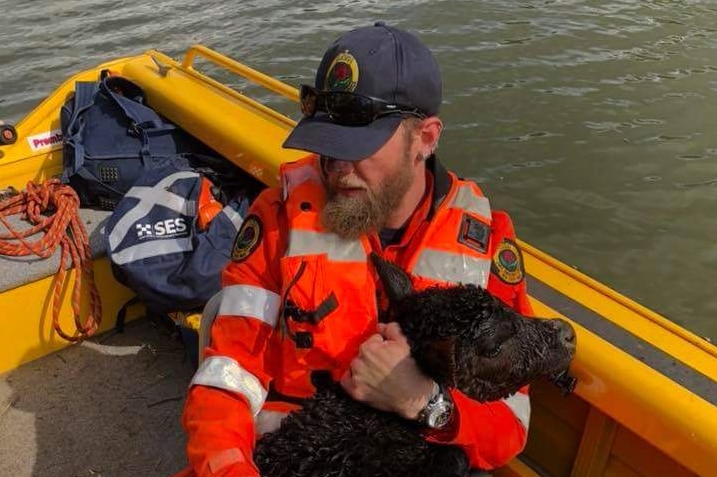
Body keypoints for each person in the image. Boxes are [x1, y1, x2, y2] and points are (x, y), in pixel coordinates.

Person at [180, 22, 534, 477]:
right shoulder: (276, 221)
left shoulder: (488, 246)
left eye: (357, 147)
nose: (337, 168)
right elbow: (225, 377)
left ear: (425, 138)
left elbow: (509, 422)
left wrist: (426, 403)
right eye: (327, 147)